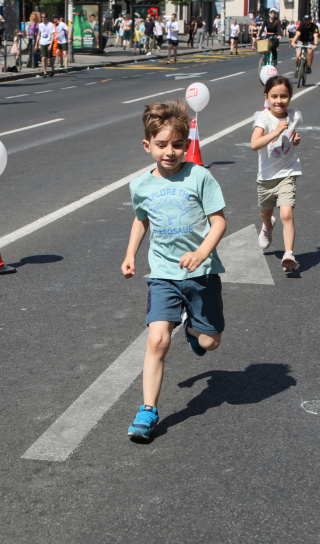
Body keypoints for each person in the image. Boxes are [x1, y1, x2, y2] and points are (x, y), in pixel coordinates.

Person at [121, 99, 227, 442]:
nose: (170, 152)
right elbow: (141, 220)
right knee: (157, 340)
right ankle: (148, 410)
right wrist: (131, 254)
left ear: (187, 144)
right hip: (163, 274)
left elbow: (219, 222)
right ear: (147, 145)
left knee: (210, 341)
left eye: (178, 145)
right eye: (162, 144)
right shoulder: (141, 185)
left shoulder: (200, 177)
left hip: (201, 273)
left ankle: (193, 331)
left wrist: (201, 252)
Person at [252, 75, 302, 273]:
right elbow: (255, 144)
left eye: (284, 96)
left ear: (290, 97)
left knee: (286, 213)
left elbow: (291, 137)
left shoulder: (294, 115)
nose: (279, 101)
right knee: (266, 212)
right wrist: (276, 131)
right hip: (266, 176)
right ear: (266, 97)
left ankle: (288, 254)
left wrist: (296, 139)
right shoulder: (263, 118)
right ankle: (267, 227)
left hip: (288, 172)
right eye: (274, 96)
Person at [35, 12, 55, 77]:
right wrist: (36, 44)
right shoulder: (40, 25)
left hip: (49, 42)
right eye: (42, 17)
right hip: (42, 43)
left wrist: (51, 44)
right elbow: (38, 34)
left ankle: (53, 70)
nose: (43, 18)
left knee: (49, 59)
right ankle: (45, 72)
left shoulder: (50, 24)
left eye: (44, 17)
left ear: (47, 17)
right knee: (43, 58)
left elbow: (53, 34)